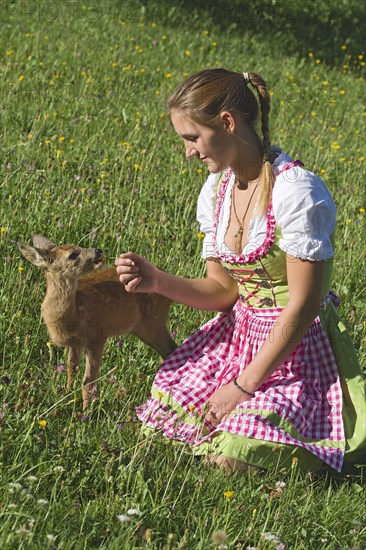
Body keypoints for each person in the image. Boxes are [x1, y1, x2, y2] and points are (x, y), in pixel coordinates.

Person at [115, 68, 365, 475]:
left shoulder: (296, 192)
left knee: (229, 457)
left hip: (295, 353)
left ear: (228, 122)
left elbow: (302, 309)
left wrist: (243, 386)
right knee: (165, 420)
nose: (189, 153)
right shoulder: (217, 190)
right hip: (238, 338)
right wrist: (157, 280)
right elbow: (222, 290)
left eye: (192, 138)